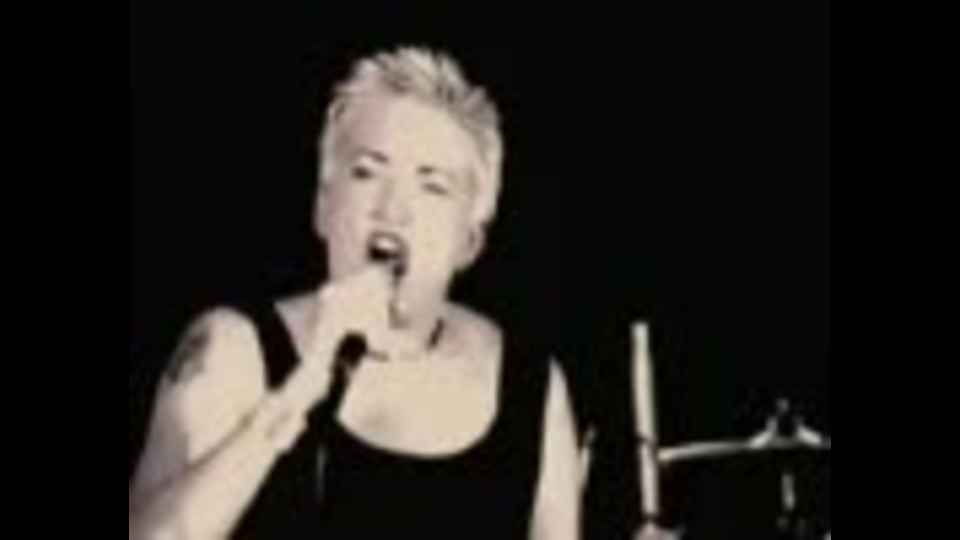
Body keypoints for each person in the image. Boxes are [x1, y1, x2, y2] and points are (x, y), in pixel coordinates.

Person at [128, 46, 581, 539]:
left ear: (469, 241)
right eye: (367, 172)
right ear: (323, 205)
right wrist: (300, 390)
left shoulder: (530, 387)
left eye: (432, 186)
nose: (393, 208)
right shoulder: (228, 350)